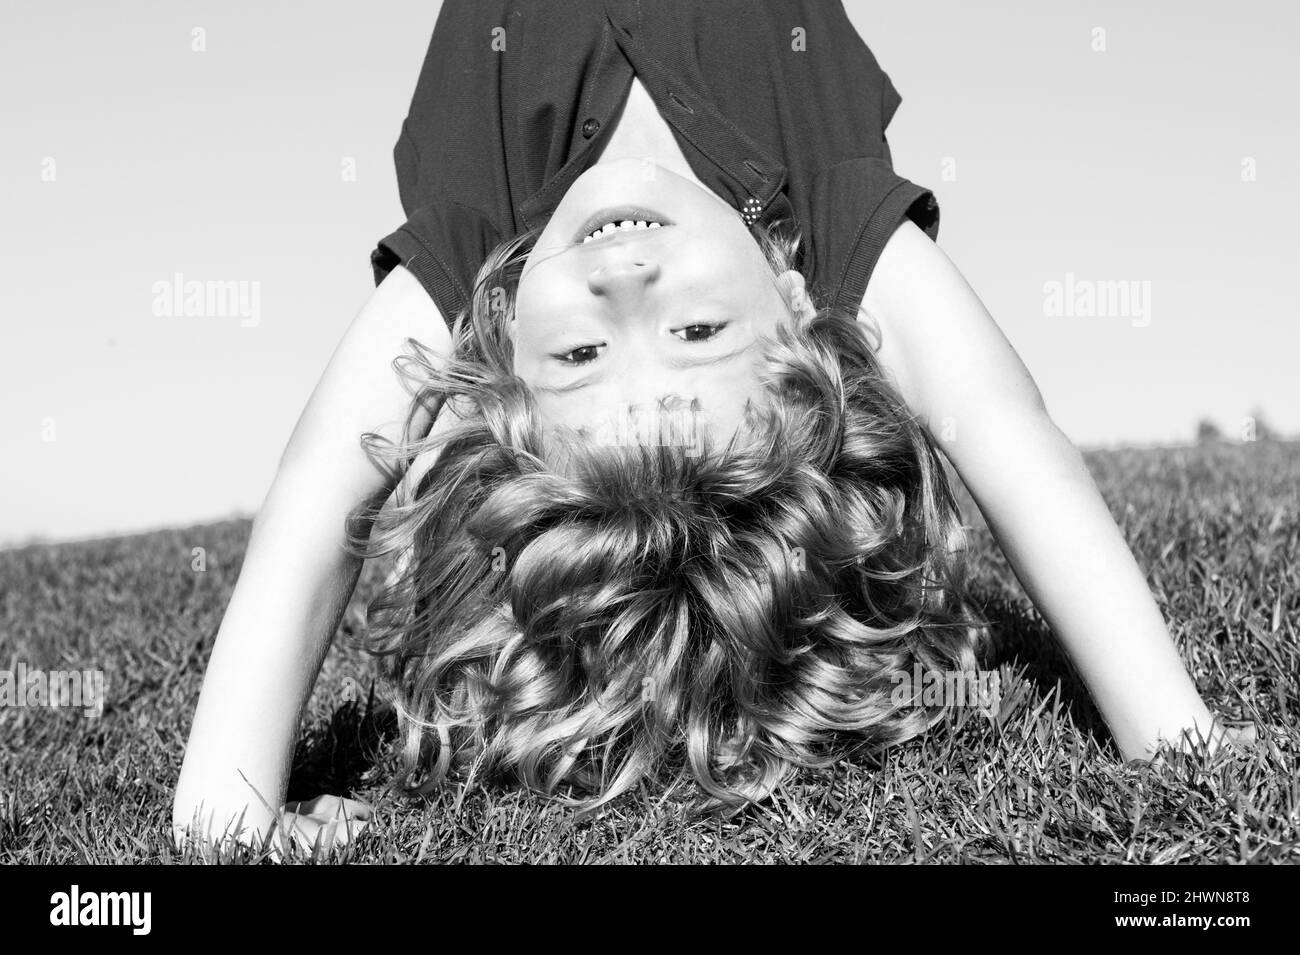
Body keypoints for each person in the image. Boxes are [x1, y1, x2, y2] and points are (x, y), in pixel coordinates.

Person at [173, 0, 1244, 852]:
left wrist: (225, 804)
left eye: (580, 358)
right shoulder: (824, 228)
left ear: (501, 352)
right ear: (796, 317)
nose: (623, 278)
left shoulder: (477, 244)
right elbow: (1011, 443)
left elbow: (320, 488)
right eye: (694, 329)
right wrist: (1174, 736)